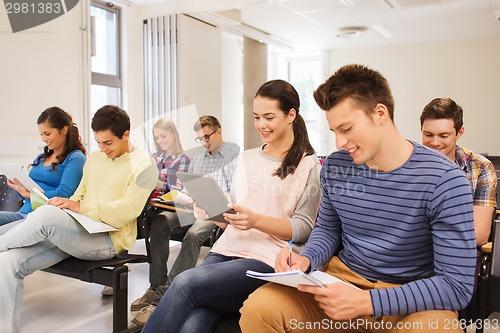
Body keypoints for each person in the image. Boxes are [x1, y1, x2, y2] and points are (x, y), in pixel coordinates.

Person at [239, 64, 477, 333]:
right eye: (334, 132)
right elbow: (328, 230)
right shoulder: (335, 166)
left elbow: (456, 286)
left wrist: (368, 302)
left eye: (347, 128)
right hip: (343, 282)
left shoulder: (446, 180)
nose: (340, 142)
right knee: (259, 309)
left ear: (379, 114)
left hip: (411, 298)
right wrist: (306, 260)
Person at [142, 79, 321, 332]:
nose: (261, 125)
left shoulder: (308, 165)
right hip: (226, 249)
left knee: (185, 282)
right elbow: (235, 212)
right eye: (257, 117)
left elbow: (303, 228)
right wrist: (212, 211)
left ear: (291, 115)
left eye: (269, 117)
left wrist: (255, 221)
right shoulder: (246, 158)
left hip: (265, 259)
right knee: (193, 325)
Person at [0, 105, 157, 333]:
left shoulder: (144, 165)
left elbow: (128, 210)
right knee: (7, 262)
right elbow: (78, 195)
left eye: (108, 143)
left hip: (107, 240)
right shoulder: (95, 159)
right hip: (76, 232)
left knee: (45, 214)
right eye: (98, 142)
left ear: (126, 135)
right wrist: (68, 206)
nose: (102, 149)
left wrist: (80, 207)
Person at [131, 115, 240, 326]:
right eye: (200, 139)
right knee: (161, 222)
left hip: (216, 211)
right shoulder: (197, 159)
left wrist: (219, 199)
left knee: (193, 235)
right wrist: (184, 196)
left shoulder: (235, 158)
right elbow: (187, 187)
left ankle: (162, 298)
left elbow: (236, 194)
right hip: (192, 207)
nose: (204, 142)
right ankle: (155, 285)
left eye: (207, 136)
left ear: (219, 132)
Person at [420, 97, 497, 246]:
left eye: (443, 136)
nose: (435, 143)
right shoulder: (407, 163)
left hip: (456, 254)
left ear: (459, 132)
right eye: (428, 135)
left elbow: (480, 234)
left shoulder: (480, 168)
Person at [0, 106, 86, 231]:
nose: (43, 139)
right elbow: (27, 193)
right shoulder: (41, 157)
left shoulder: (75, 157)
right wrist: (19, 187)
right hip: (23, 213)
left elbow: (64, 195)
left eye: (48, 134)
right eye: (41, 134)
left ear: (64, 130)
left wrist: (30, 194)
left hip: (41, 218)